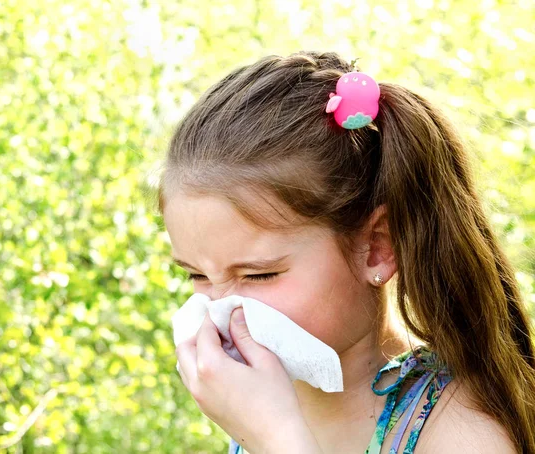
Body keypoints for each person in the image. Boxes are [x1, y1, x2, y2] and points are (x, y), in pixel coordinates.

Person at [158, 51, 535, 453]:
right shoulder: (262, 395)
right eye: (196, 275)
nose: (220, 313)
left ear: (377, 248)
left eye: (258, 275)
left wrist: (278, 440)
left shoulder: (461, 431)